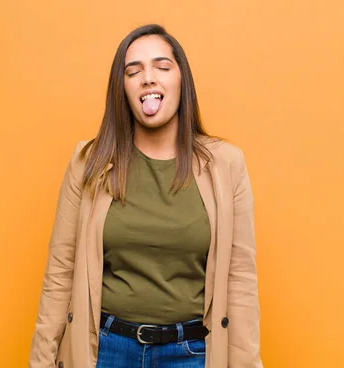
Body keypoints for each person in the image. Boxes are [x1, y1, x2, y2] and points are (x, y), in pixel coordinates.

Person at [28, 24, 262, 368]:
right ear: (122, 88)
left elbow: (240, 280)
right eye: (133, 71)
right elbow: (61, 270)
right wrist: (42, 362)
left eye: (162, 67)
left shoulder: (225, 164)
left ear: (182, 82)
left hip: (192, 354)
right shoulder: (88, 163)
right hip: (105, 352)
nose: (148, 78)